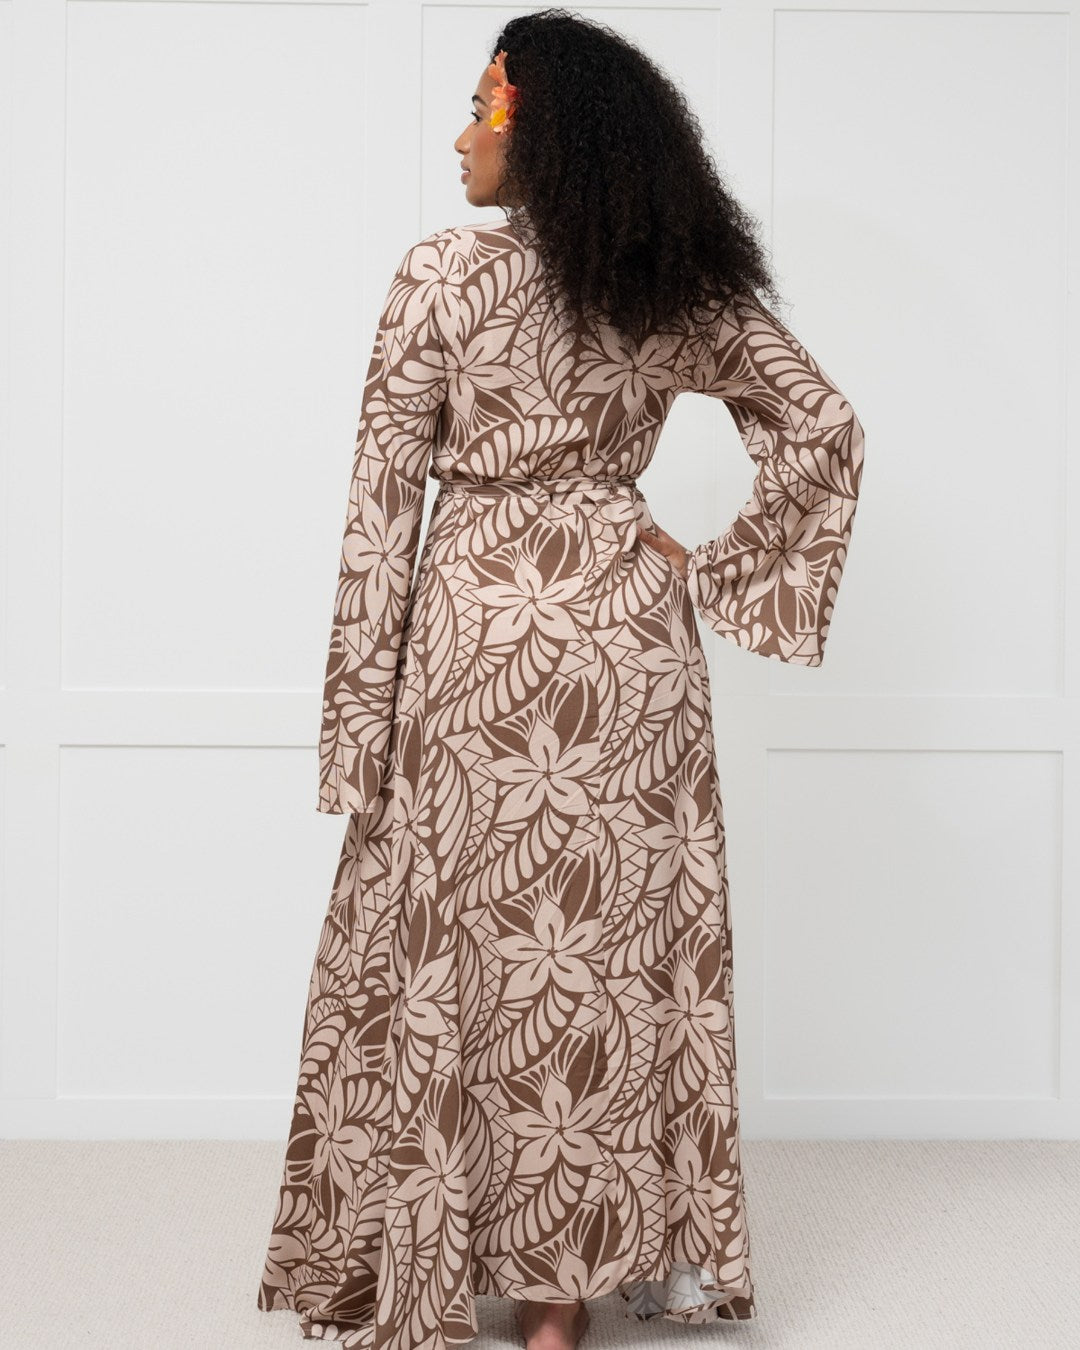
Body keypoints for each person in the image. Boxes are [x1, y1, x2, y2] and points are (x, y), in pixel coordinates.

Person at [257, 10, 865, 1350]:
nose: (461, 132)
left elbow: (379, 508)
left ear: (546, 135)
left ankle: (432, 1262)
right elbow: (822, 424)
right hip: (623, 647)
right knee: (600, 961)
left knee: (455, 955)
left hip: (474, 646)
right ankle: (559, 1293)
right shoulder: (669, 284)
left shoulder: (436, 275)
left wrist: (356, 722)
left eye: (485, 106)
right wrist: (710, 566)